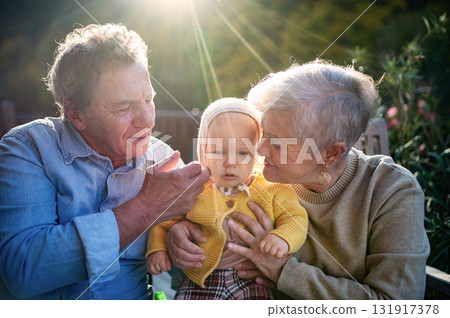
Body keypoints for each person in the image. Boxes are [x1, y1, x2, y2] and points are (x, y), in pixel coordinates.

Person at [165, 60, 430, 299]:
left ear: (330, 153)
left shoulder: (392, 192)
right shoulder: (253, 176)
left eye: (278, 143)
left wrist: (283, 271)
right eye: (263, 134)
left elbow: (396, 304)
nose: (260, 150)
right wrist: (179, 232)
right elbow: (207, 228)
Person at [0, 23, 209, 299]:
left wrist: (178, 234)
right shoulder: (27, 149)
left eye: (148, 99)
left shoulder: (162, 159)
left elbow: (202, 253)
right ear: (76, 114)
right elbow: (23, 271)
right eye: (123, 107)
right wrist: (147, 206)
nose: (147, 120)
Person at [146, 98, 308, 299]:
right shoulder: (194, 189)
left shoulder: (273, 189)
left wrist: (282, 238)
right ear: (203, 151)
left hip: (252, 278)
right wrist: (157, 249)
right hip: (201, 281)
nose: (230, 162)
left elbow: (295, 218)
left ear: (257, 153)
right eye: (218, 151)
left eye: (242, 152)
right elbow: (164, 222)